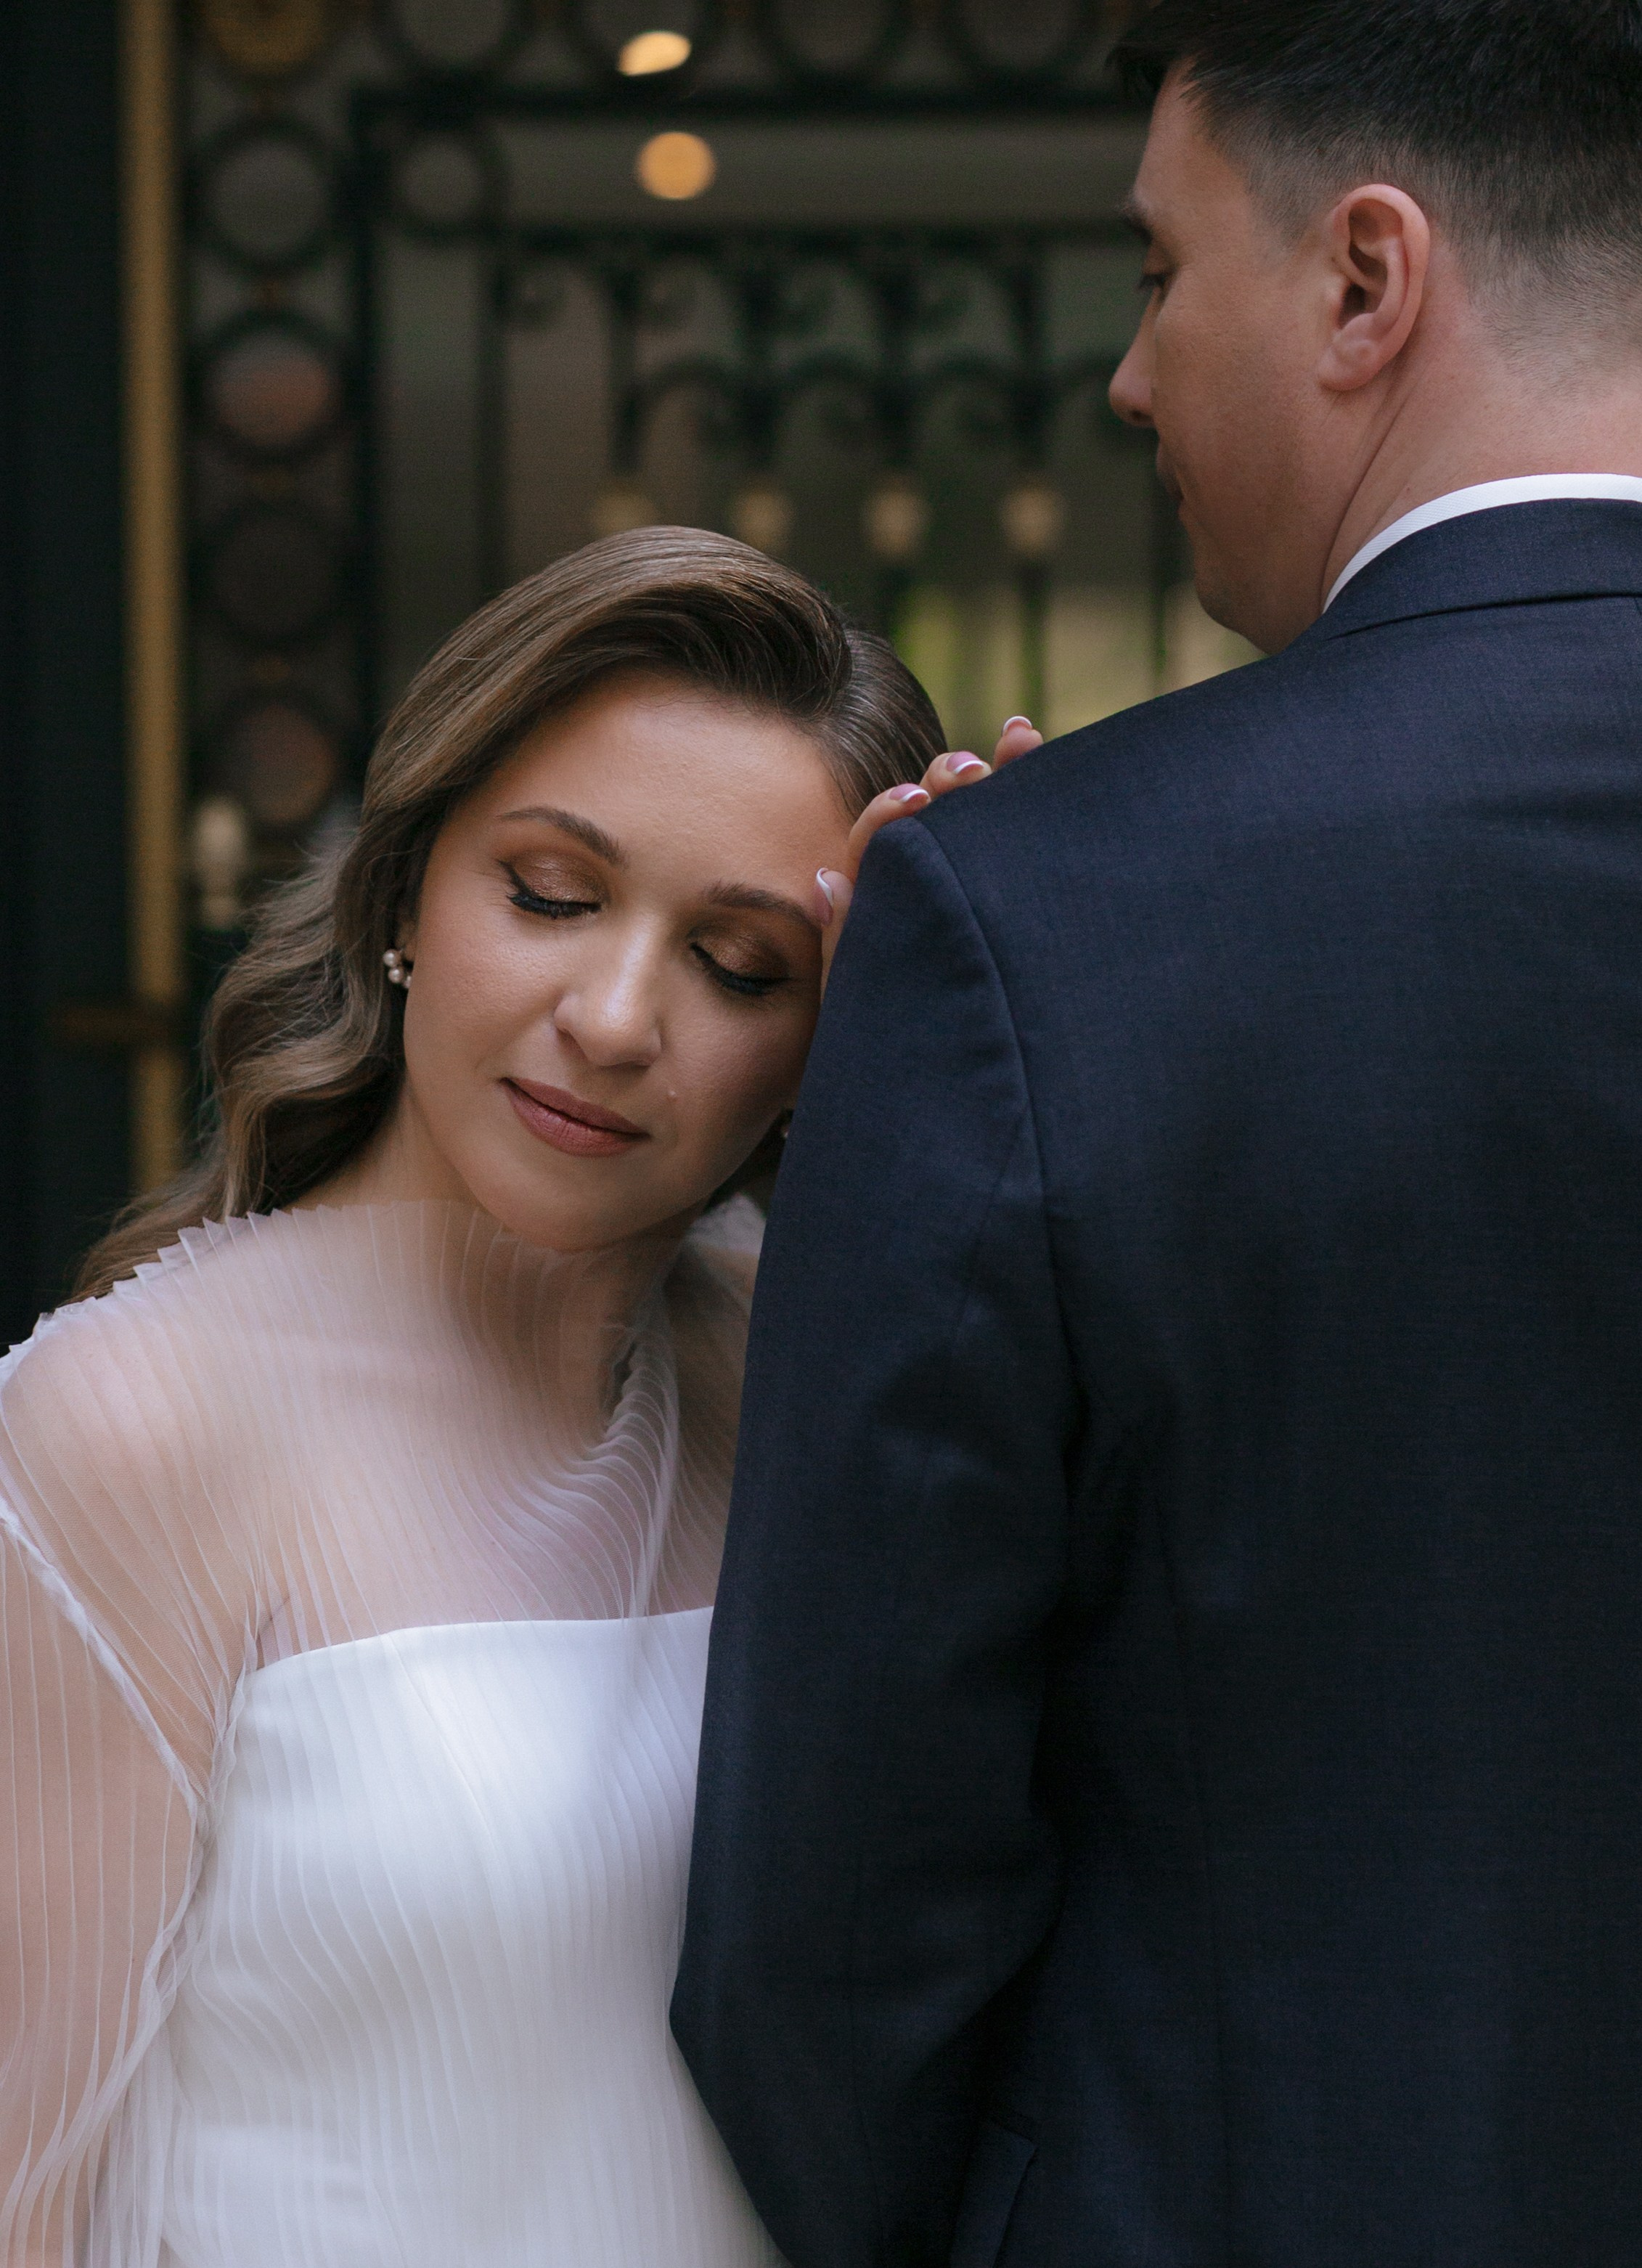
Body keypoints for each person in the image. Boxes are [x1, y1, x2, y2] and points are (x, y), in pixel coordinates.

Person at [671, 4, 1642, 2264]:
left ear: (1358, 283)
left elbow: (832, 1912)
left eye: (1153, 268)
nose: (1125, 376)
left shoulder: (1029, 915)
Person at [0, 526, 1027, 2268]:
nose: (615, 1016)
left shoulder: (822, 1374)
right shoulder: (132, 1424)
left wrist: (1013, 970)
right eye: (551, 891)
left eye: (741, 963)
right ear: (406, 891)